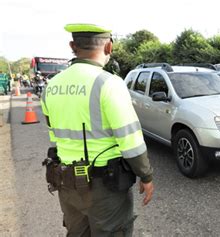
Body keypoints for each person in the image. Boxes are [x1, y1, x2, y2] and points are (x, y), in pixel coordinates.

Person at [40, 23, 154, 236]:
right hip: (104, 188)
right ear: (109, 47)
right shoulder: (108, 83)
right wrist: (146, 176)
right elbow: (130, 141)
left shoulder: (51, 85)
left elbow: (55, 134)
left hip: (65, 183)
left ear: (73, 46)